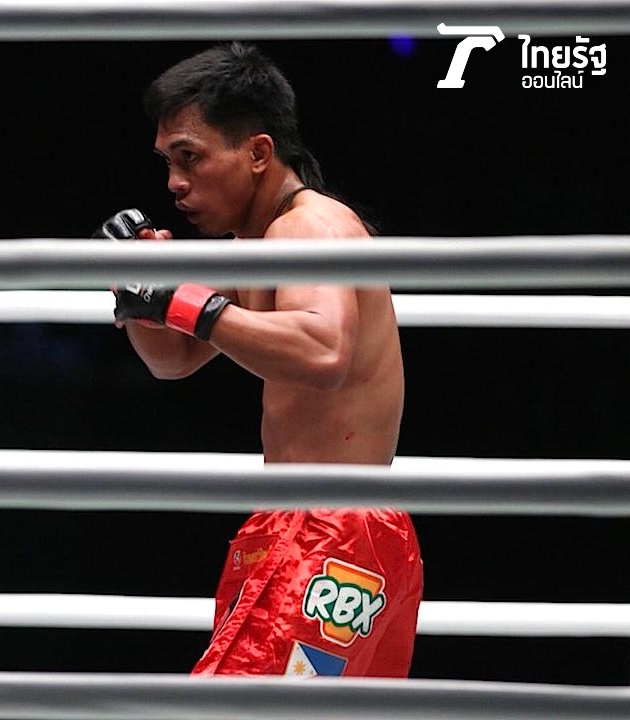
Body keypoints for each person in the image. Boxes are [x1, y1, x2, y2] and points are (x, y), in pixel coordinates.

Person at [100, 42, 422, 678]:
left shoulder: (308, 229)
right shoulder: (258, 243)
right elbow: (173, 360)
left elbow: (323, 351)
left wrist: (183, 301)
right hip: (332, 533)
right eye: (167, 162)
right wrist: (137, 291)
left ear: (257, 152)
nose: (174, 183)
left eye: (190, 157)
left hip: (325, 530)